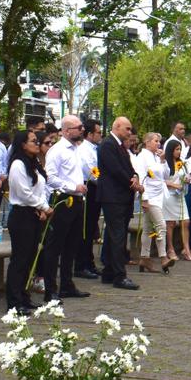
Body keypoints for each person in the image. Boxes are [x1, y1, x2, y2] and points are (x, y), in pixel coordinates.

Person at [43, 115, 95, 296]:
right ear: (66, 131)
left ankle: (67, 284)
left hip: (78, 200)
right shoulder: (57, 151)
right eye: (78, 128)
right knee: (55, 245)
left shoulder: (76, 149)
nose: (82, 130)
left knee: (72, 244)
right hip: (64, 200)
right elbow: (50, 177)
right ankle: (50, 288)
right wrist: (73, 187)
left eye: (82, 127)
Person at [4, 130, 51, 313]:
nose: (37, 144)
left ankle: (24, 296)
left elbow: (41, 189)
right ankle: (14, 302)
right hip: (21, 215)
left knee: (31, 258)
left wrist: (41, 207)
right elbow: (23, 193)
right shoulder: (17, 164)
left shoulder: (34, 163)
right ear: (23, 144)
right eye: (33, 141)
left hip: (34, 213)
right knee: (19, 259)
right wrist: (43, 207)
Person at [97, 116, 141, 289]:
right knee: (117, 236)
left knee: (113, 234)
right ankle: (119, 275)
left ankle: (109, 271)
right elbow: (115, 170)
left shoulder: (121, 146)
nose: (130, 132)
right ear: (117, 126)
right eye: (127, 129)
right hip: (113, 197)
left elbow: (129, 168)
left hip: (121, 197)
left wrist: (135, 176)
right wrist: (132, 182)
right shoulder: (108, 144)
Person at [134, 131, 172, 272]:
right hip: (149, 196)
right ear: (147, 142)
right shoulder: (142, 157)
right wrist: (144, 199)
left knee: (148, 228)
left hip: (159, 195)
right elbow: (141, 177)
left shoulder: (157, 156)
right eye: (156, 141)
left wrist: (163, 160)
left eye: (159, 141)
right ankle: (163, 257)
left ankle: (144, 257)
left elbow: (166, 175)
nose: (158, 143)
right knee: (161, 225)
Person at [74, 119, 103, 279]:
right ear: (90, 134)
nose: (100, 135)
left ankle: (89, 262)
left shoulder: (94, 148)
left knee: (91, 227)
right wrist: (103, 180)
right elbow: (92, 171)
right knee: (86, 228)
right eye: (98, 132)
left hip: (95, 188)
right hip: (89, 187)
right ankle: (81, 264)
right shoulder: (85, 149)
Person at [162, 140, 191, 259]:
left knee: (186, 221)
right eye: (176, 149)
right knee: (171, 223)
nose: (178, 152)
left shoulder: (182, 163)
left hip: (180, 195)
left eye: (180, 149)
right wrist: (174, 185)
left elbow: (185, 175)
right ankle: (170, 249)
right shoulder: (165, 164)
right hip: (169, 195)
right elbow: (161, 180)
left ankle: (186, 249)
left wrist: (186, 180)